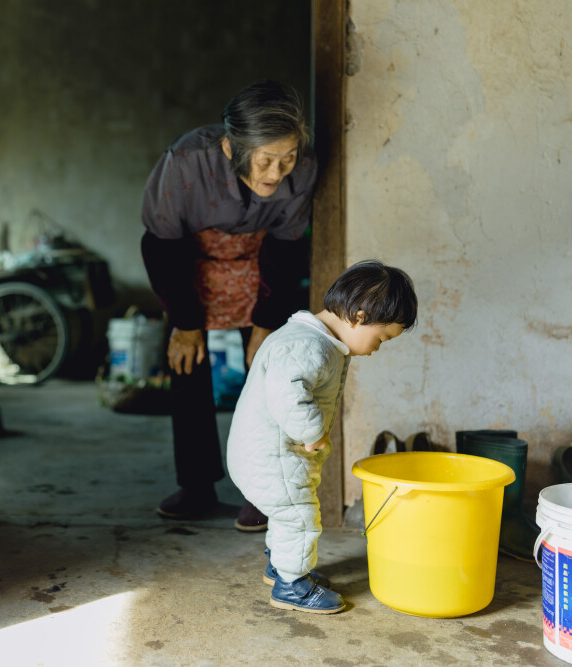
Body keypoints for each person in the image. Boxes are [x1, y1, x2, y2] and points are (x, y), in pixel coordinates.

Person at [141, 80, 317, 531]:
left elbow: (287, 247)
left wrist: (265, 322)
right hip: (190, 267)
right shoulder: (184, 164)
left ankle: (262, 490)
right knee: (185, 366)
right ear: (230, 147)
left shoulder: (304, 168)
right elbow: (161, 245)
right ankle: (196, 485)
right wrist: (185, 322)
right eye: (265, 160)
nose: (277, 173)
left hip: (261, 267)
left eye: (288, 159)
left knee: (270, 376)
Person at [226, 260, 418, 614]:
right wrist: (313, 432)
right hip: (272, 457)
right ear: (359, 316)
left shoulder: (309, 338)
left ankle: (281, 566)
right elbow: (287, 394)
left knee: (286, 513)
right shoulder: (308, 346)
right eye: (382, 338)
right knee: (299, 516)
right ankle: (292, 586)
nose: (378, 348)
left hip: (264, 453)